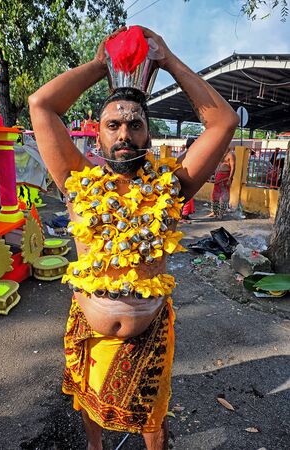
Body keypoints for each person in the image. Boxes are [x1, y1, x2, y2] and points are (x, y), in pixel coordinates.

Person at [28, 26, 239, 450]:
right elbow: (41, 104)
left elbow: (224, 122)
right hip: (89, 329)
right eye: (113, 125)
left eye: (134, 124)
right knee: (89, 406)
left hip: (151, 336)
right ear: (100, 133)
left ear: (148, 133)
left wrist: (170, 60)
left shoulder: (172, 185)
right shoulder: (75, 179)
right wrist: (100, 63)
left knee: (154, 425)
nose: (124, 134)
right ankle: (95, 446)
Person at [208, 147, 235, 219]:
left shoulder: (231, 155)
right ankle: (214, 211)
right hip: (218, 176)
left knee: (224, 196)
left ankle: (221, 213)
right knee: (215, 195)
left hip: (225, 177)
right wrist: (214, 175)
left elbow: (233, 167)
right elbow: (218, 166)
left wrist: (230, 179)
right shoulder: (221, 154)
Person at [180, 137, 196, 223]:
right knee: (187, 198)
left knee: (186, 198)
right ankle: (183, 216)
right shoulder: (190, 154)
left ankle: (185, 215)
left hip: (183, 176)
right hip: (187, 177)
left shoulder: (183, 153)